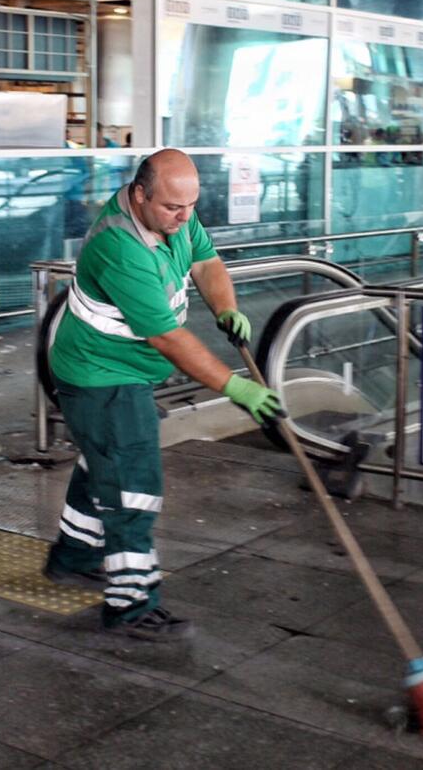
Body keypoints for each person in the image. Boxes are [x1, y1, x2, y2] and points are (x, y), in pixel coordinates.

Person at [43, 149, 284, 641]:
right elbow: (170, 340)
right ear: (139, 195)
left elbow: (207, 261)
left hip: (120, 370)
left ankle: (74, 555)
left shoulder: (175, 217)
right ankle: (130, 603)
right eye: (174, 207)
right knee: (133, 483)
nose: (185, 216)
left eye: (192, 205)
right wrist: (235, 386)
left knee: (103, 459)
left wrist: (226, 307)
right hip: (99, 375)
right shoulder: (122, 247)